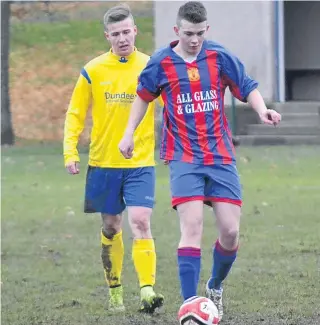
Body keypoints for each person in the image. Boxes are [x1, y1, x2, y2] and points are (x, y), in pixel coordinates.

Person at [118, 1, 281, 321]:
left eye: (200, 33)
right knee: (191, 228)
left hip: (220, 156)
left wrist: (263, 111)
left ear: (207, 30)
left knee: (231, 232)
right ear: (177, 30)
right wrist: (128, 134)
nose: (195, 40)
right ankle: (190, 303)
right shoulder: (161, 63)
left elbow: (247, 87)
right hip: (183, 157)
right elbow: (142, 97)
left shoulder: (219, 56)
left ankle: (215, 286)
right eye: (189, 33)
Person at [63, 4, 164, 314]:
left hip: (140, 161)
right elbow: (76, 112)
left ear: (135, 31)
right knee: (111, 225)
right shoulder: (93, 69)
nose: (122, 38)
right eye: (116, 34)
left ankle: (147, 290)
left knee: (141, 221)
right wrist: (70, 149)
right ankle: (116, 292)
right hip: (104, 162)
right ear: (108, 36)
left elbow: (170, 104)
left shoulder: (150, 66)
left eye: (127, 32)